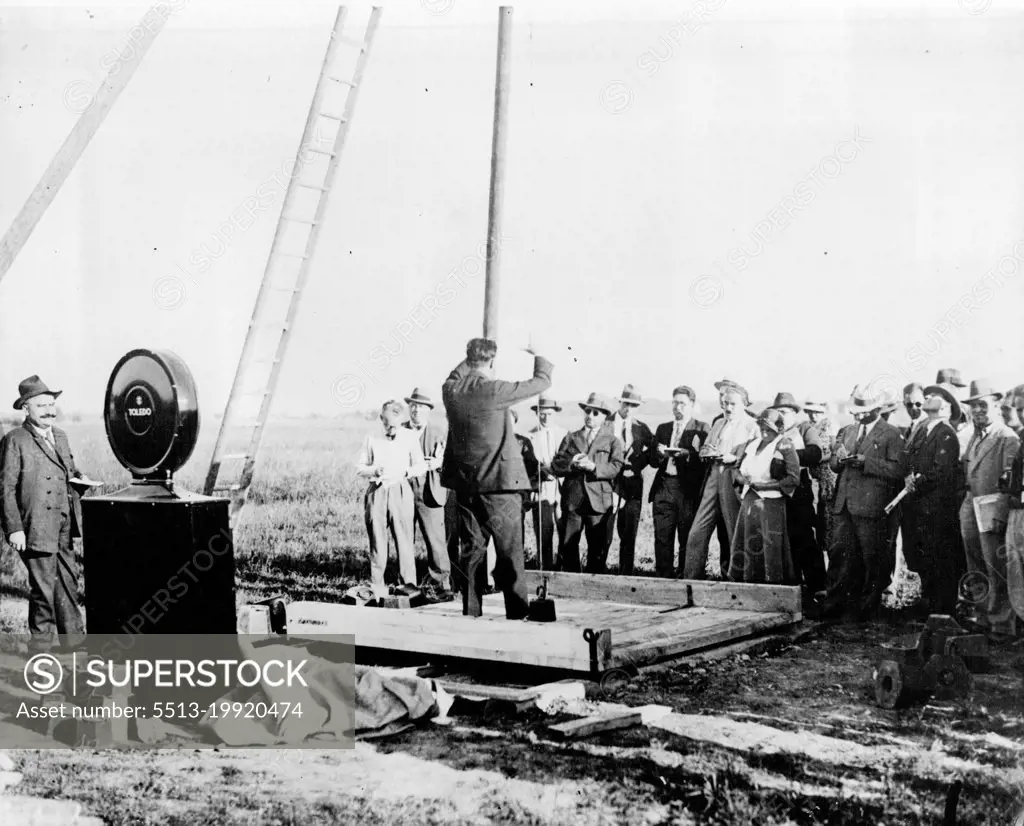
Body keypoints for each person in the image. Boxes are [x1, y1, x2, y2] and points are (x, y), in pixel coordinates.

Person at [441, 338, 553, 619]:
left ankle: (471, 612)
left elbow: (455, 375)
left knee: (472, 550)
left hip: (466, 486)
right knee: (509, 552)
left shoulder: (450, 390)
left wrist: (473, 357)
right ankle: (517, 613)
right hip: (501, 487)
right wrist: (539, 353)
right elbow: (540, 382)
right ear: (491, 363)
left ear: (468, 360)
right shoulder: (494, 390)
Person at [1, 376, 90, 644]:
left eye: (52, 405)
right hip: (35, 529)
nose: (50, 411)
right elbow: (4, 488)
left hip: (64, 527)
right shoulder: (15, 440)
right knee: (44, 597)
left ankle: (76, 662)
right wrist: (15, 528)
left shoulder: (60, 436)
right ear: (26, 408)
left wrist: (80, 481)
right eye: (42, 406)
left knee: (69, 592)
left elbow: (68, 472)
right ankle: (42, 669)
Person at [821, 385, 904, 622]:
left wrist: (866, 462)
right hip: (844, 503)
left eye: (863, 410)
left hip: (871, 505)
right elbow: (836, 466)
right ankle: (837, 603)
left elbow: (898, 469)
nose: (858, 415)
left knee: (871, 556)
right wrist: (838, 457)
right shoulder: (849, 431)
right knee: (840, 553)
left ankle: (868, 607)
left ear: (876, 409)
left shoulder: (891, 434)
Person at [958, 379, 1020, 644]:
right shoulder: (975, 436)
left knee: (995, 566)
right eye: (974, 407)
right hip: (972, 505)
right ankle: (982, 616)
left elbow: (1010, 481)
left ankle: (1002, 624)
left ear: (996, 405)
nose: (978, 411)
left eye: (983, 405)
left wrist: (1001, 511)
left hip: (992, 507)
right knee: (976, 564)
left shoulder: (1006, 438)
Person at [682, 380, 760, 579]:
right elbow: (706, 447)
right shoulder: (718, 423)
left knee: (735, 532)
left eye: (732, 404)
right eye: (724, 403)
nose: (727, 407)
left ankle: (739, 580)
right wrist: (707, 452)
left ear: (744, 403)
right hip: (713, 477)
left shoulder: (752, 426)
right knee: (696, 532)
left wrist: (734, 459)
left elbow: (756, 458)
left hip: (734, 479)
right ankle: (691, 578)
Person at [899, 382, 964, 615]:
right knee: (925, 556)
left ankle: (942, 609)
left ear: (946, 407)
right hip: (921, 505)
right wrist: (909, 476)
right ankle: (930, 604)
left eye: (936, 397)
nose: (929, 398)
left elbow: (941, 471)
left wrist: (917, 481)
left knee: (939, 557)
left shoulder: (945, 433)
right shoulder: (925, 430)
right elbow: (911, 460)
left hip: (937, 508)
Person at [355, 399, 426, 598]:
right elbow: (360, 467)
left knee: (404, 539)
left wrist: (406, 471)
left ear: (401, 419)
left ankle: (409, 587)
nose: (389, 428)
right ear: (381, 419)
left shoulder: (410, 437)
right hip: (377, 490)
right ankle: (377, 586)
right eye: (386, 423)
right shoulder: (371, 437)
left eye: (393, 424)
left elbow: (420, 466)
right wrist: (374, 469)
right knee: (377, 540)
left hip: (400, 490)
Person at [552, 393, 625, 574]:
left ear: (604, 417)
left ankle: (594, 587)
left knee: (597, 548)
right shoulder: (571, 437)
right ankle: (571, 587)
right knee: (568, 545)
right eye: (588, 411)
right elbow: (557, 465)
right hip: (573, 500)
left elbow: (616, 467)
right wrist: (572, 463)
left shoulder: (612, 441)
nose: (590, 416)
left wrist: (594, 467)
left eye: (595, 413)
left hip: (598, 502)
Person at [728, 408, 800, 584]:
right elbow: (737, 468)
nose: (764, 432)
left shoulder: (785, 445)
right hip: (750, 501)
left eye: (769, 429)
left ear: (779, 429)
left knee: (770, 545)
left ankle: (773, 585)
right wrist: (740, 478)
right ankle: (748, 582)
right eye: (762, 427)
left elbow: (793, 478)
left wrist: (765, 486)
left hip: (771, 503)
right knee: (747, 543)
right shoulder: (752, 444)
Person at [769, 393, 826, 596]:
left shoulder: (804, 429)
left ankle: (818, 586)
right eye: (777, 412)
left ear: (794, 413)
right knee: (782, 538)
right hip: (775, 488)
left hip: (799, 489)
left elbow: (815, 452)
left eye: (784, 412)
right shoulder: (772, 430)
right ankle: (791, 586)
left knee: (803, 536)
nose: (780, 417)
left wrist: (787, 456)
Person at [649, 385, 710, 577]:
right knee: (662, 536)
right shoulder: (663, 428)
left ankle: (685, 579)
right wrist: (658, 454)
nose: (678, 407)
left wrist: (688, 455)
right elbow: (652, 461)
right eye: (674, 403)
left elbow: (704, 459)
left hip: (687, 490)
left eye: (682, 403)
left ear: (692, 405)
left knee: (687, 536)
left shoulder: (701, 429)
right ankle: (663, 578)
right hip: (664, 486)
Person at [402, 388, 454, 602]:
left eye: (421, 406)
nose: (416, 410)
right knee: (403, 538)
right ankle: (407, 585)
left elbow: (450, 460)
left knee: (435, 539)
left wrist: (438, 463)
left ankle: (441, 585)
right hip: (403, 489)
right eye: (413, 405)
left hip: (429, 490)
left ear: (428, 410)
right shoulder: (399, 430)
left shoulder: (438, 431)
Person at [607, 384, 654, 575]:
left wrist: (636, 465)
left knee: (629, 533)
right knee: (605, 532)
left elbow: (653, 453)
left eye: (634, 406)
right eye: (626, 404)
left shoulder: (641, 428)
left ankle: (626, 575)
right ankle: (598, 573)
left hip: (632, 485)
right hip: (607, 484)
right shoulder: (605, 423)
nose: (629, 409)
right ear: (620, 402)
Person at [527, 396, 567, 571]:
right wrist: (541, 471)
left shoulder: (564, 434)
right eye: (542, 414)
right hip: (542, 487)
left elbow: (567, 460)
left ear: (555, 414)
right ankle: (545, 570)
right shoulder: (530, 436)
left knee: (565, 529)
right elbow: (528, 463)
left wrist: (556, 470)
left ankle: (564, 569)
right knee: (544, 532)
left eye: (549, 414)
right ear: (537, 414)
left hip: (562, 488)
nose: (545, 418)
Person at [803, 401, 837, 555]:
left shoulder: (829, 424)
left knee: (828, 517)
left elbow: (833, 450)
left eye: (817, 412)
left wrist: (817, 458)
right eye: (810, 411)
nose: (813, 415)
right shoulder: (808, 426)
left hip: (827, 476)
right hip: (814, 476)